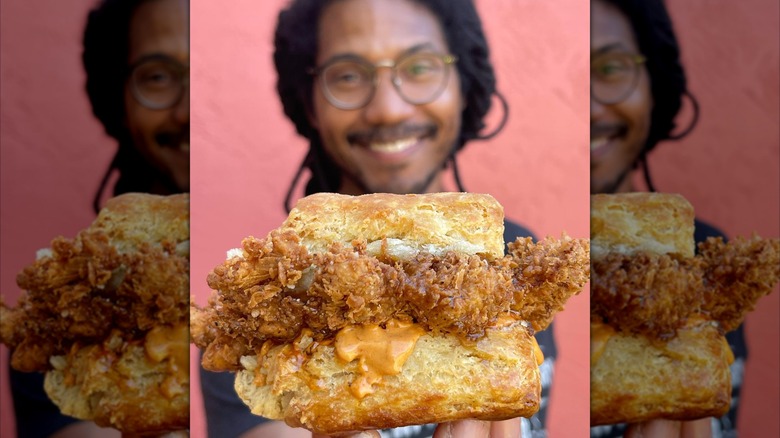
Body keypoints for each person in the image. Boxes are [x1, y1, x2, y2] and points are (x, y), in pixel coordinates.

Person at [198, 0, 563, 437]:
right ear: (310, 105)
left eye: (421, 66)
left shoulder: (510, 263)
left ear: (464, 86)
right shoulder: (262, 303)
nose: (388, 109)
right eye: (348, 75)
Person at [8, 0, 189, 436]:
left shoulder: (265, 274)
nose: (186, 110)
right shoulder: (64, 309)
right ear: (117, 100)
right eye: (158, 76)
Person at [589, 0, 746, 436]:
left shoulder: (709, 260)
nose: (588, 108)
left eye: (610, 68)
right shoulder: (517, 254)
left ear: (656, 83)